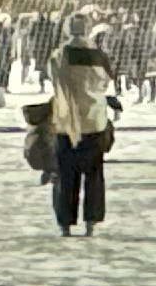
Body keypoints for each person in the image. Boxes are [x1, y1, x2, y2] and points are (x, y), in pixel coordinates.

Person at [45, 37, 117, 234]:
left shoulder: (60, 55)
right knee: (94, 175)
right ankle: (91, 222)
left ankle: (65, 223)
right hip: (94, 120)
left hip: (67, 121)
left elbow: (52, 76)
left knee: (66, 175)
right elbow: (108, 80)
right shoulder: (100, 56)